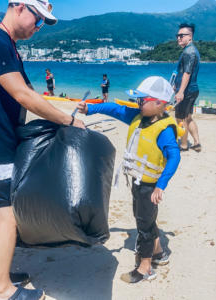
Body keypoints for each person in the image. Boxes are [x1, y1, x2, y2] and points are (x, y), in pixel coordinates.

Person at [0, 1, 85, 300]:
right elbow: (22, 96)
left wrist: (69, 108)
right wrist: (69, 121)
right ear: (17, 7)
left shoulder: (6, 43)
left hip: (1, 141)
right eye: (38, 17)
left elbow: (31, 94)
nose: (39, 26)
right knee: (8, 217)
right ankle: (3, 290)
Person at [78, 76, 181, 284]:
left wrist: (161, 185)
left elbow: (174, 156)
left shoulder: (164, 130)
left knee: (143, 225)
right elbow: (114, 109)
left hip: (149, 186)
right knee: (145, 218)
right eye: (138, 100)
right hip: (137, 182)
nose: (138, 104)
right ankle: (159, 252)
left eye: (142, 100)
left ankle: (145, 267)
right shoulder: (138, 116)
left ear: (160, 103)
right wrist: (90, 108)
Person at [175, 23, 201, 152]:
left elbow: (187, 72)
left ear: (190, 37)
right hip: (192, 89)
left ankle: (184, 145)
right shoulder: (190, 50)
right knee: (188, 117)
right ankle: (196, 143)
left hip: (187, 91)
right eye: (177, 35)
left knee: (181, 118)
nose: (178, 38)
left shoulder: (189, 51)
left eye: (181, 35)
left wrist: (180, 91)